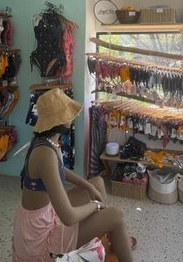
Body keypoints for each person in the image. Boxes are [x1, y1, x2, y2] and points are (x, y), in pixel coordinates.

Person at [12, 88, 135, 262]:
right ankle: (114, 230)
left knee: (97, 183)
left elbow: (59, 169)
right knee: (117, 215)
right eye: (68, 113)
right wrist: (96, 205)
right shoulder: (45, 154)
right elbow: (68, 217)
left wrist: (88, 186)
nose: (72, 116)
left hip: (47, 216)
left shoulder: (46, 142)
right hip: (41, 240)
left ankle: (113, 235)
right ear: (59, 120)